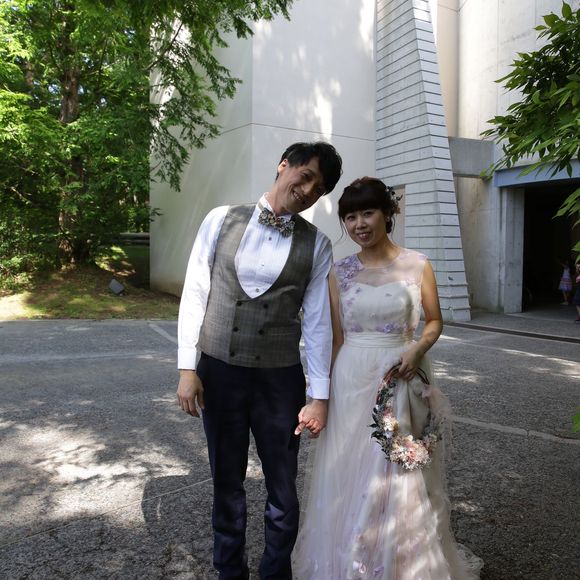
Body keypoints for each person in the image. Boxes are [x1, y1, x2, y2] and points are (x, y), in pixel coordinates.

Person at [292, 177, 482, 579]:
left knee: (396, 473)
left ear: (388, 213)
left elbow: (434, 321)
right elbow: (335, 339)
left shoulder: (418, 264)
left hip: (401, 377)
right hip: (351, 380)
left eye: (368, 213)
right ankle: (349, 563)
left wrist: (417, 348)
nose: (359, 224)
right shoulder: (338, 272)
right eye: (350, 217)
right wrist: (319, 396)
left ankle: (397, 563)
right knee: (348, 471)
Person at [176, 141, 343, 580]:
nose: (308, 191)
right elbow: (195, 293)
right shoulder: (220, 219)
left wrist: (319, 397)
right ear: (283, 166)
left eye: (319, 189)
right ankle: (229, 571)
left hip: (279, 381)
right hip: (218, 373)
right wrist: (187, 368)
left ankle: (275, 573)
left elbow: (318, 326)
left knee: (283, 489)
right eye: (306, 176)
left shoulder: (318, 245)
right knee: (226, 482)